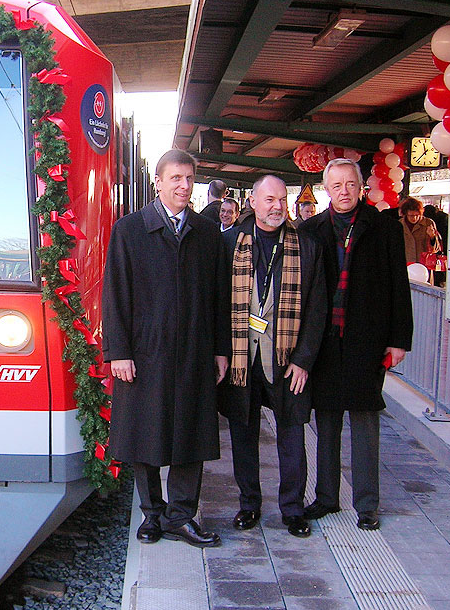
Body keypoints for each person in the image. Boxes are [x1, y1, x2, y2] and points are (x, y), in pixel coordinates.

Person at [102, 148, 230, 548]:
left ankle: (181, 516)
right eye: (175, 178)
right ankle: (152, 514)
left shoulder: (207, 233)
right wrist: (118, 352)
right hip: (145, 353)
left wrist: (220, 349)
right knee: (144, 436)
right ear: (157, 182)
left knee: (191, 436)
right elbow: (115, 294)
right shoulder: (130, 230)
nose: (183, 186)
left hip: (194, 351)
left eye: (189, 179)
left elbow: (219, 297)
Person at [299, 158, 413, 531]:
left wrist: (399, 340)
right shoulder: (312, 230)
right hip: (325, 340)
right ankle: (327, 497)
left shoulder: (383, 228)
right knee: (326, 420)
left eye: (350, 184)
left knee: (365, 422)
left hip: (367, 338)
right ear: (325, 190)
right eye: (336, 186)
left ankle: (367, 504)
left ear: (361, 186)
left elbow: (400, 286)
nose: (344, 191)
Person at [221, 175, 326, 538]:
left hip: (286, 360)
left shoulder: (307, 247)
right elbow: (218, 304)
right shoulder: (229, 242)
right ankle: (249, 504)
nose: (277, 206)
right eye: (269, 199)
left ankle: (293, 508)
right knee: (243, 434)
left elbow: (317, 309)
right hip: (241, 359)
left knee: (292, 435)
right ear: (253, 201)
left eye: (282, 199)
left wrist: (304, 359)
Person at [400, 197, 440, 265]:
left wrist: (432, 237)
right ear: (405, 214)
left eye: (417, 215)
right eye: (411, 215)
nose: (414, 218)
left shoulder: (428, 223)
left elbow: (436, 249)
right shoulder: (400, 225)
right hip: (405, 264)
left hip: (424, 264)